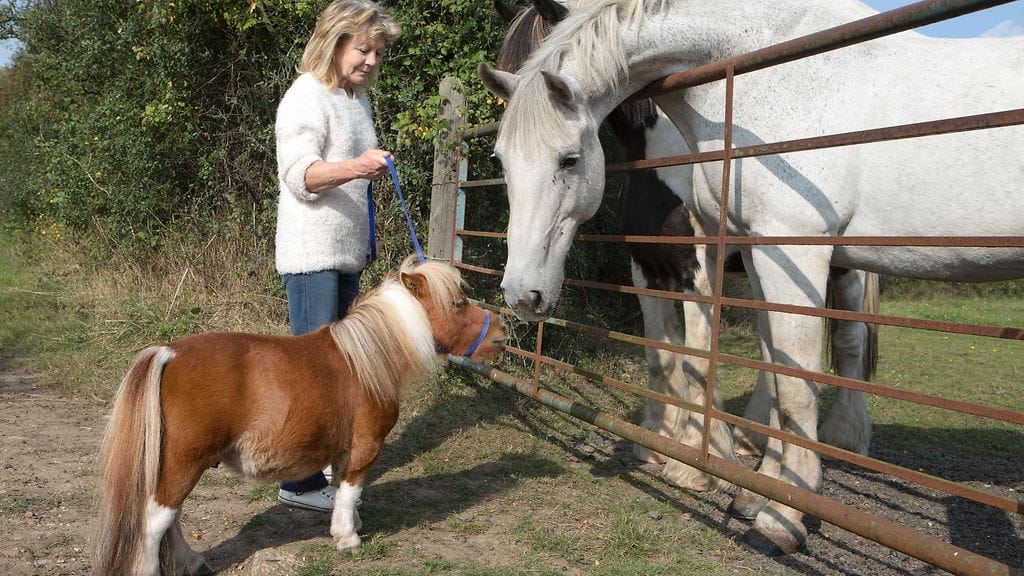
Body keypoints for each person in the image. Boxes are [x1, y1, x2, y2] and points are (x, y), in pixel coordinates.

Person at [273, 0, 401, 512]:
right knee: (313, 372)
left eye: (377, 52)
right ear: (335, 42)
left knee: (341, 369)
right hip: (312, 256)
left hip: (346, 255)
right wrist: (356, 166)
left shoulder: (355, 101)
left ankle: (325, 461)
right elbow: (301, 176)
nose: (370, 60)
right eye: (362, 48)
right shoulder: (306, 96)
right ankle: (298, 483)